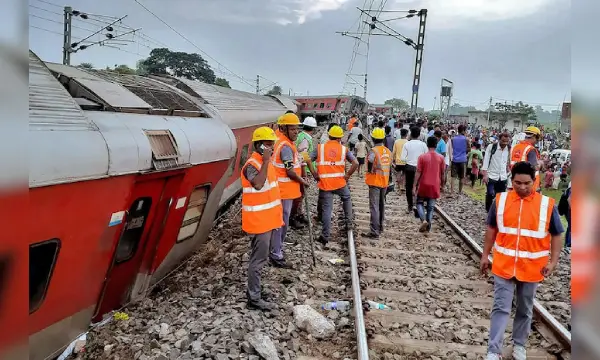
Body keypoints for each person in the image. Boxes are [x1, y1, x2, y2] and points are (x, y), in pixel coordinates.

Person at [480, 162, 563, 360]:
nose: (523, 187)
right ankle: (494, 350)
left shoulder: (546, 205)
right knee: (501, 307)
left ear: (534, 181)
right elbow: (491, 229)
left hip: (532, 268)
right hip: (504, 265)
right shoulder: (500, 201)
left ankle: (519, 345)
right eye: (517, 183)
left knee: (525, 309)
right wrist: (485, 255)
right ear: (512, 180)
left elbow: (557, 234)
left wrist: (553, 262)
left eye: (527, 183)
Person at [241, 127, 284, 311]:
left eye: (272, 144)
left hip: (267, 220)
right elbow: (258, 184)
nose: (272, 148)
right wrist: (266, 161)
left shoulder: (264, 162)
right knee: (257, 260)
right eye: (268, 144)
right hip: (259, 222)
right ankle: (254, 298)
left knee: (260, 258)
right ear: (259, 146)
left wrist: (266, 161)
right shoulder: (253, 165)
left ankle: (255, 291)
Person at [272, 113, 310, 267]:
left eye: (297, 129)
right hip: (283, 191)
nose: (296, 132)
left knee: (282, 221)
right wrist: (303, 181)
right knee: (281, 222)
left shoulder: (286, 143)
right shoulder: (285, 147)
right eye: (292, 129)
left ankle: (276, 248)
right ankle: (276, 253)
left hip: (284, 191)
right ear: (283, 128)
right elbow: (289, 171)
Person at [312, 125, 358, 245]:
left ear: (329, 136)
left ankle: (325, 236)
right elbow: (355, 163)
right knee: (347, 198)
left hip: (326, 184)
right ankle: (349, 223)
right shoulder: (344, 149)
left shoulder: (320, 148)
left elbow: (307, 160)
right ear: (339, 138)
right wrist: (347, 175)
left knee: (327, 209)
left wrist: (314, 174)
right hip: (340, 183)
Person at [362, 128, 392, 239]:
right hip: (384, 182)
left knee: (374, 206)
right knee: (381, 205)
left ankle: (374, 231)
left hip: (375, 182)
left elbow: (370, 161)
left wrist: (370, 170)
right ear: (383, 138)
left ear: (373, 139)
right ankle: (380, 226)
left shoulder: (373, 151)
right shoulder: (388, 151)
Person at [291, 116, 318, 229]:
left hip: (299, 169)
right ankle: (294, 217)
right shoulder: (306, 139)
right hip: (302, 170)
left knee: (299, 195)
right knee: (299, 196)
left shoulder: (301, 136)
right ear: (313, 129)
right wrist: (311, 172)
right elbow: (304, 158)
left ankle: (299, 214)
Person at [413, 136, 445, 232]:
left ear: (427, 144)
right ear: (436, 145)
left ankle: (423, 220)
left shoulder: (422, 157)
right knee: (431, 208)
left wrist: (414, 185)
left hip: (423, 184)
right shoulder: (441, 158)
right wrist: (442, 185)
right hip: (435, 185)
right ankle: (428, 228)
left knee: (419, 202)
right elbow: (443, 173)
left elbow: (418, 172)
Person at [400, 127, 428, 213]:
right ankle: (418, 205)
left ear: (411, 134)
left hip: (409, 167)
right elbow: (426, 157)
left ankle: (410, 206)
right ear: (419, 134)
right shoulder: (423, 145)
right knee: (419, 186)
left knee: (408, 187)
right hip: (420, 168)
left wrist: (409, 160)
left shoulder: (407, 144)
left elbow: (402, 158)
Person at [482, 132, 511, 211]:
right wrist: (485, 174)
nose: (504, 143)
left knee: (500, 196)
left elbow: (509, 161)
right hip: (491, 175)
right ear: (499, 140)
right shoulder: (491, 147)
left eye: (506, 142)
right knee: (490, 193)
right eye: (503, 141)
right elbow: (486, 160)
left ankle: (496, 212)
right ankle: (488, 211)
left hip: (503, 176)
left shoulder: (508, 148)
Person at [509, 126, 542, 192]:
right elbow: (534, 167)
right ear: (534, 136)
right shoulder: (530, 149)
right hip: (528, 186)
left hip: (515, 183)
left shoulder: (514, 147)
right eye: (537, 138)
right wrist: (540, 164)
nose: (537, 141)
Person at [451, 124, 470, 195]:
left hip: (455, 159)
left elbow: (453, 147)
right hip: (463, 160)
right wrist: (464, 150)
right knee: (462, 177)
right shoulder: (466, 139)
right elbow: (469, 149)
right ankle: (459, 192)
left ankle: (452, 192)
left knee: (453, 176)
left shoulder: (453, 139)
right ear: (463, 130)